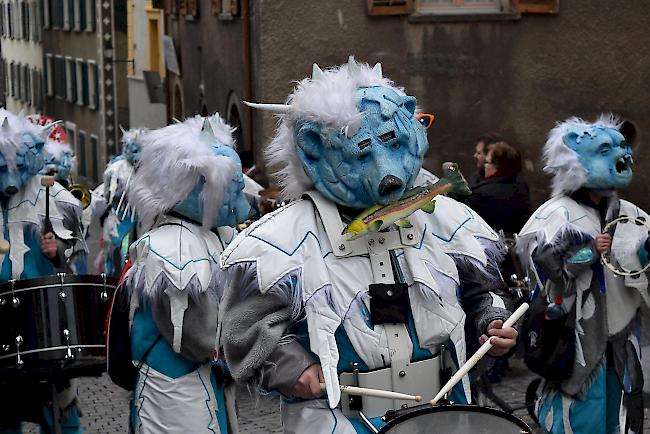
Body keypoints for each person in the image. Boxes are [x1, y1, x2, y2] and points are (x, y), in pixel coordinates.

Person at [216, 58, 518, 433]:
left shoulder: (449, 220)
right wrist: (292, 368)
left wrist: (493, 321)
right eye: (361, 151)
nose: (386, 169)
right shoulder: (277, 243)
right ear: (311, 150)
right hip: (339, 421)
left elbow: (485, 291)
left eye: (392, 143)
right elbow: (246, 328)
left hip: (444, 413)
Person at [117, 114, 250, 433]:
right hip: (175, 394)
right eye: (233, 190)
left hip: (202, 386)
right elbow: (198, 338)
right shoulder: (170, 247)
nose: (241, 202)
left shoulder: (209, 233)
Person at [516, 115, 648, 434]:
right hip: (574, 339)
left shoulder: (631, 214)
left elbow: (640, 259)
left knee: (623, 406)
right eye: (606, 150)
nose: (622, 156)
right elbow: (543, 272)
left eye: (622, 148)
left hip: (623, 333)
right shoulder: (555, 214)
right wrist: (589, 252)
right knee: (580, 413)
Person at [0, 109, 86, 433]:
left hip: (43, 317)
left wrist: (57, 251)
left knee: (61, 410)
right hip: (2, 322)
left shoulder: (51, 194)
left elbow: (74, 247)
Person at [463, 141, 531, 235]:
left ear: (497, 167)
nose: (485, 166)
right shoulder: (521, 186)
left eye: (487, 162)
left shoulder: (482, 194)